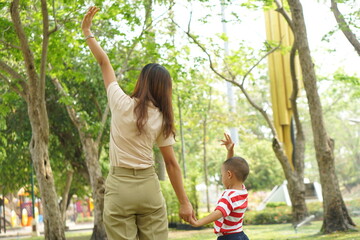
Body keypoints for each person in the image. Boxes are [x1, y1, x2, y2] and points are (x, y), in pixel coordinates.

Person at [81, 6, 195, 240]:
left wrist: (87, 31)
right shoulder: (162, 117)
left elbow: (104, 63)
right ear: (165, 90)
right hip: (148, 188)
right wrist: (184, 203)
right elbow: (171, 164)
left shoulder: (119, 101)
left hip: (119, 188)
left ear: (141, 82)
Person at [190, 133, 250, 240]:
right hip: (240, 235)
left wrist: (198, 222)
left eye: (222, 175)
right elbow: (231, 167)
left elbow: (219, 213)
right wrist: (230, 151)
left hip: (228, 238)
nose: (222, 178)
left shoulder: (229, 195)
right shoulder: (242, 190)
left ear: (229, 175)